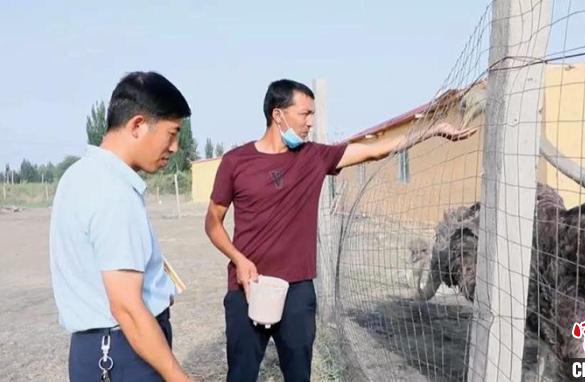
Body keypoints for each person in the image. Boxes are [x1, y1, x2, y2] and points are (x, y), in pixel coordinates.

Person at [204, 79, 472, 381]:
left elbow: (374, 151)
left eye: (313, 114)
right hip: (247, 288)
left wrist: (431, 130)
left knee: (298, 375)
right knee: (240, 374)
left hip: (297, 290)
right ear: (278, 115)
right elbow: (212, 221)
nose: (310, 122)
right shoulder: (236, 162)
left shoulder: (314, 157)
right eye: (305, 114)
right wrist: (238, 259)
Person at [50, 71, 193, 381]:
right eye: (172, 133)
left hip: (95, 350)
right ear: (138, 126)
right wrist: (178, 376)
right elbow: (127, 307)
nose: (175, 147)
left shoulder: (77, 175)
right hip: (123, 351)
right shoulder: (113, 194)